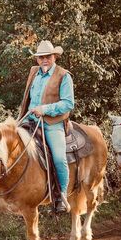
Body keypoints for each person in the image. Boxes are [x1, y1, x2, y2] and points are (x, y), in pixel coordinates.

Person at [18, 40, 74, 213]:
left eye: (48, 56)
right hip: (29, 120)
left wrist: (45, 109)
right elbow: (28, 97)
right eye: (41, 57)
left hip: (52, 123)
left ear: (54, 56)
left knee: (58, 157)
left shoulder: (63, 75)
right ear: (37, 59)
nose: (44, 60)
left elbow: (68, 104)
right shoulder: (34, 72)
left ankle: (61, 196)